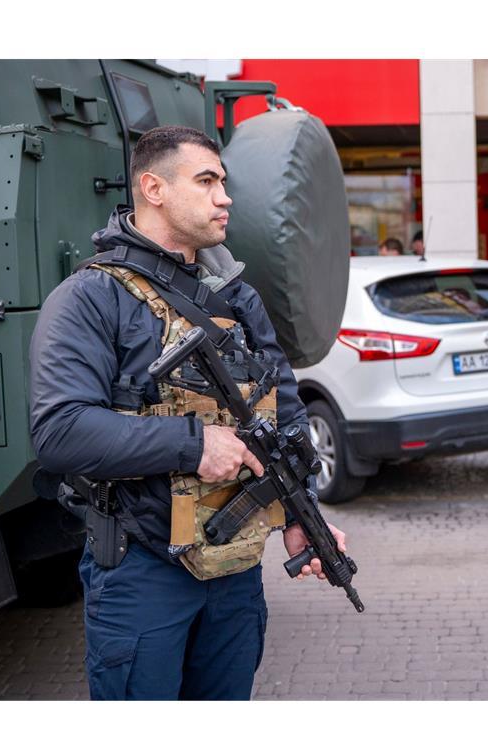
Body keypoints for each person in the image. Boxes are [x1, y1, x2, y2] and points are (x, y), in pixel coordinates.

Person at [29, 125, 347, 700]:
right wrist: (195, 444)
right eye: (206, 181)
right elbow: (59, 430)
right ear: (153, 187)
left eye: (223, 181)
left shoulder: (237, 294)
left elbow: (285, 408)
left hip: (234, 569)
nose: (224, 196)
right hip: (141, 570)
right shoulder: (90, 298)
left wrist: (303, 514)